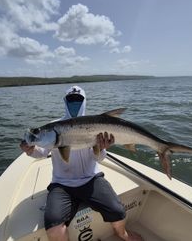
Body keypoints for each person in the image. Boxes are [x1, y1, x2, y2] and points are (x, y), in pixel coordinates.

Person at [20, 85, 143, 241]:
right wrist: (30, 150)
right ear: (65, 101)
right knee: (53, 226)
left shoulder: (94, 124)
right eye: (71, 99)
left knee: (117, 211)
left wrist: (102, 147)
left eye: (78, 99)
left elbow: (99, 159)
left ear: (84, 101)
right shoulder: (55, 125)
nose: (74, 103)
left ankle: (122, 233)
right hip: (62, 184)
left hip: (91, 179)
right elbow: (41, 152)